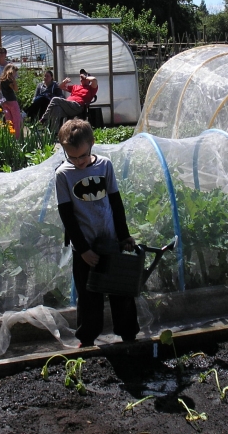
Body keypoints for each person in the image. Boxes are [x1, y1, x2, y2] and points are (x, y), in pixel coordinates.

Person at [55, 119, 139, 347]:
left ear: (92, 144)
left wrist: (124, 236)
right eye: (72, 157)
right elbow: (67, 216)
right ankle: (87, 339)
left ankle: (128, 335)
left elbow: (116, 203)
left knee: (121, 292)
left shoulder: (105, 166)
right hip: (86, 248)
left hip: (110, 241)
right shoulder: (63, 174)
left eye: (82, 156)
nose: (79, 162)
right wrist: (83, 249)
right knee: (89, 296)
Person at [0, 63, 22, 139]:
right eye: (15, 72)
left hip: (5, 103)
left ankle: (10, 137)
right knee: (16, 120)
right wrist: (14, 80)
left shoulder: (1, 80)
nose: (15, 74)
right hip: (12, 102)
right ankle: (17, 138)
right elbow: (16, 89)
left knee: (9, 121)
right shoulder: (9, 80)